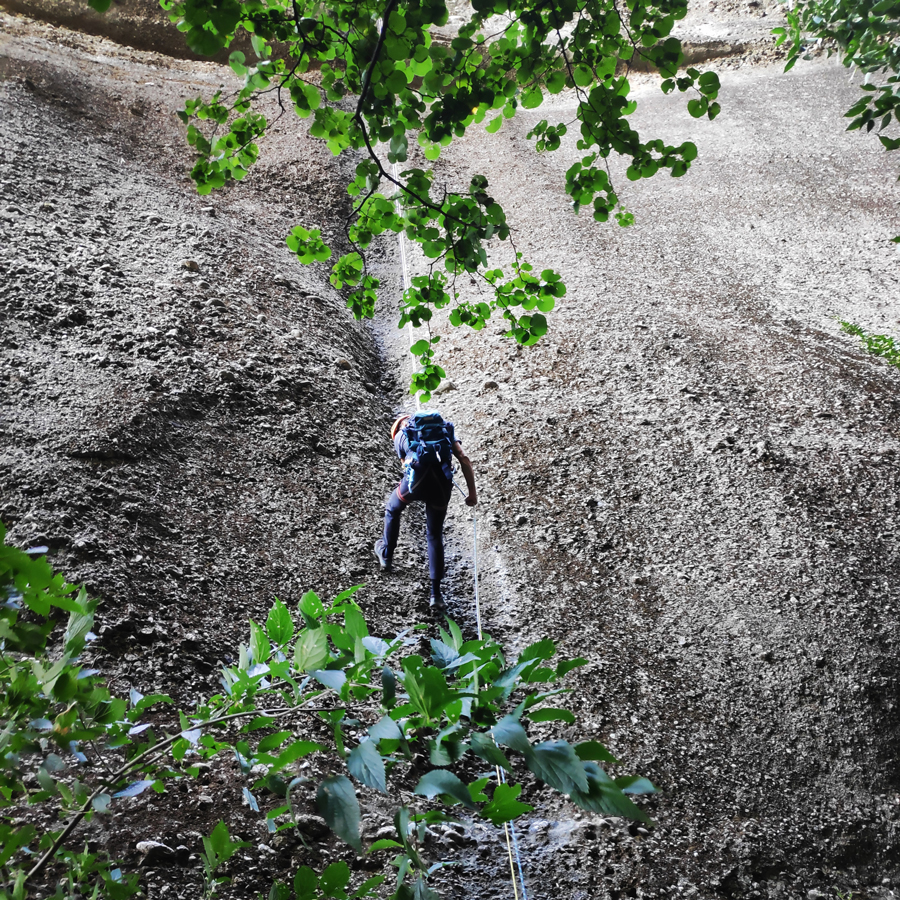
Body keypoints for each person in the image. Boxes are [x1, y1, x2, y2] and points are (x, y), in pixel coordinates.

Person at [374, 412, 477, 611]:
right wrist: (472, 493)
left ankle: (386, 555)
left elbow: (406, 464)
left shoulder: (402, 434)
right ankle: (436, 594)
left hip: (416, 484)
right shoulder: (445, 429)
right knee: (434, 534)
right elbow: (463, 458)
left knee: (393, 509)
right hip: (441, 485)